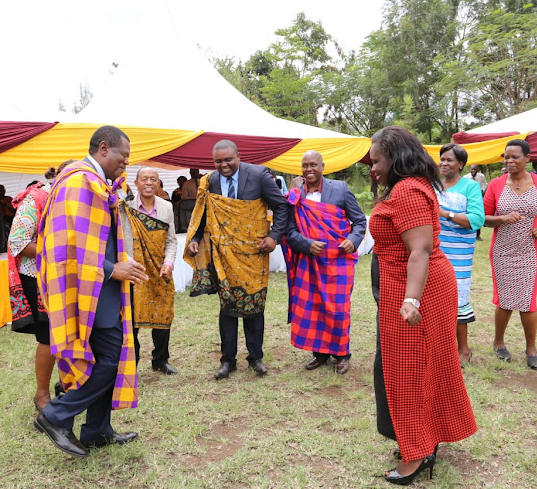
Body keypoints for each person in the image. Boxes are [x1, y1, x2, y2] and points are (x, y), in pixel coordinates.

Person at [368, 126, 476, 484]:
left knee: (410, 371)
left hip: (417, 292)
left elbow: (421, 250)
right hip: (405, 288)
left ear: (395, 158)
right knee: (413, 368)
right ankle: (421, 440)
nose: (373, 168)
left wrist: (411, 299)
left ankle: (417, 454)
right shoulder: (405, 188)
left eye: (377, 160)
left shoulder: (410, 191)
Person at [35, 126, 147, 458]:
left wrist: (120, 259)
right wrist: (114, 269)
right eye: (122, 157)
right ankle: (55, 416)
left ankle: (97, 430)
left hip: (103, 288)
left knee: (109, 357)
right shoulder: (77, 181)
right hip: (90, 292)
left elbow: (95, 238)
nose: (125, 165)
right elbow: (68, 247)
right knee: (110, 360)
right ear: (103, 148)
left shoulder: (94, 183)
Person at [184, 139, 288, 380]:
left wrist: (274, 237)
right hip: (223, 254)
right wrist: (196, 238)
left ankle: (256, 357)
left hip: (254, 252)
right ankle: (227, 360)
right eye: (218, 161)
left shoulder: (260, 175)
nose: (224, 165)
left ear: (238, 156)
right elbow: (203, 213)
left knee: (254, 304)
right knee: (228, 306)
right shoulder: (209, 181)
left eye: (228, 159)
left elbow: (281, 207)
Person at [283, 150, 366, 374]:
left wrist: (353, 240)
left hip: (338, 261)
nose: (309, 170)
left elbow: (359, 221)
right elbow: (289, 230)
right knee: (313, 306)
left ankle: (341, 354)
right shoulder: (295, 195)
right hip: (310, 262)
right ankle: (319, 353)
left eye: (313, 165)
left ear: (323, 166)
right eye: (305, 166)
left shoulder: (340, 189)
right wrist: (305, 244)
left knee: (338, 308)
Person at [483, 139, 537, 370]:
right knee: (504, 301)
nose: (509, 161)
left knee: (528, 301)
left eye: (514, 157)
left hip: (531, 250)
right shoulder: (496, 184)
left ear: (527, 158)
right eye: (506, 157)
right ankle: (498, 342)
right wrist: (501, 219)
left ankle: (531, 348)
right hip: (503, 251)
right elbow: (484, 218)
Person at [8, 163, 72, 412]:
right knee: (49, 337)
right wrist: (57, 252)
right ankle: (41, 395)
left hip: (68, 277)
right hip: (39, 278)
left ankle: (65, 383)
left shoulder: (71, 199)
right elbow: (18, 242)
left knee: (68, 333)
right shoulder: (36, 198)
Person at [121, 167, 179, 375]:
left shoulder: (166, 207)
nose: (148, 183)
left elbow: (171, 240)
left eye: (153, 179)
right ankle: (131, 364)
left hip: (159, 271)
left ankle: (160, 360)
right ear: (136, 183)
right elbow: (117, 240)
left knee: (163, 314)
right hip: (132, 271)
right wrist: (127, 262)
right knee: (131, 319)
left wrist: (168, 263)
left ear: (158, 184)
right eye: (144, 179)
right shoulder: (124, 207)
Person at [436, 144, 485, 367]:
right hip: (434, 251)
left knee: (457, 301)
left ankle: (463, 349)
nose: (444, 163)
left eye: (449, 160)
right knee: (434, 301)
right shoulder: (433, 185)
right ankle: (439, 349)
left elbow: (476, 220)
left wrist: (446, 213)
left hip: (459, 253)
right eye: (442, 159)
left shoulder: (470, 187)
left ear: (461, 164)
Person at [463, 164, 488, 240]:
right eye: (472, 169)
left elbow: (485, 184)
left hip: (478, 198)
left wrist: (482, 191)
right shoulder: (466, 177)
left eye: (475, 169)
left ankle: (478, 235)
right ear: (470, 170)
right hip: (468, 198)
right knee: (468, 215)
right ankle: (468, 233)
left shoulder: (481, 176)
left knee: (477, 215)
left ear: (477, 170)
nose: (473, 171)